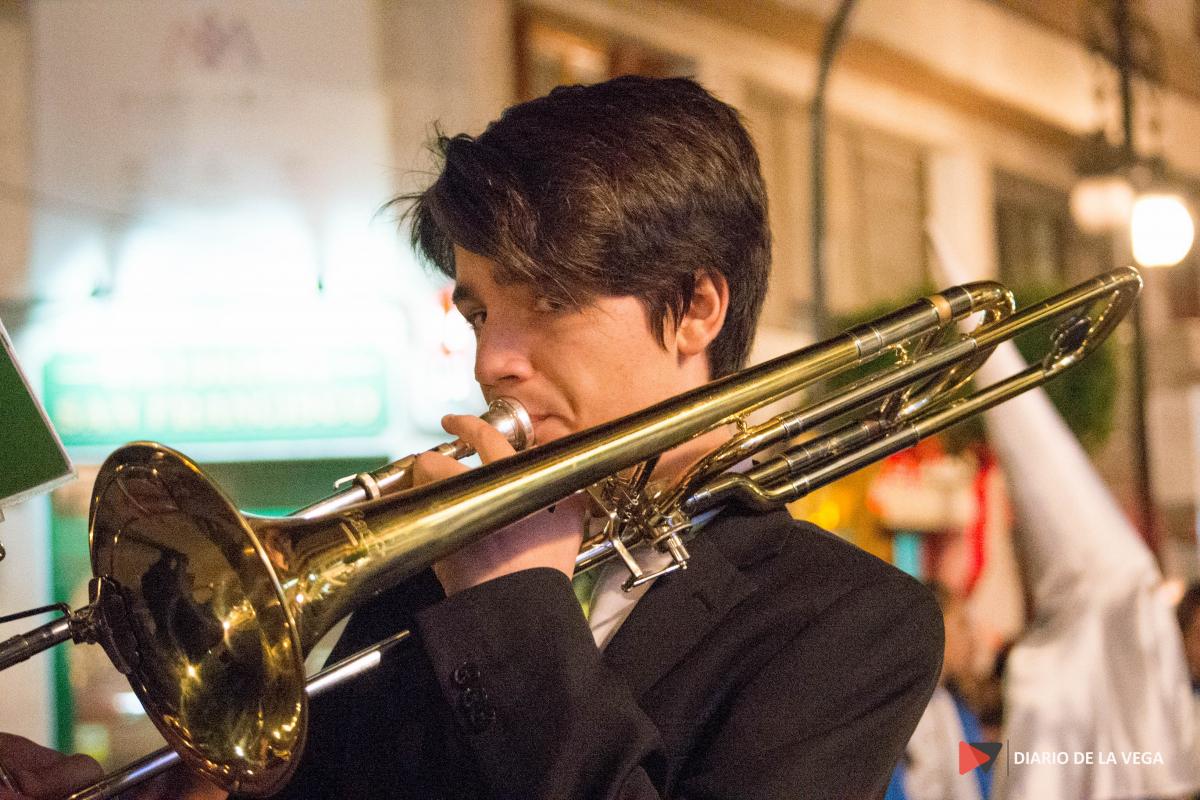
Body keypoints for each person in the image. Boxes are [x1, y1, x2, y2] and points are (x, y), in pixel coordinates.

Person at [0, 75, 942, 800]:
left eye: (551, 301)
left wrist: (515, 607)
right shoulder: (432, 572)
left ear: (696, 307)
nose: (493, 361)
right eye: (483, 312)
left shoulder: (850, 621)